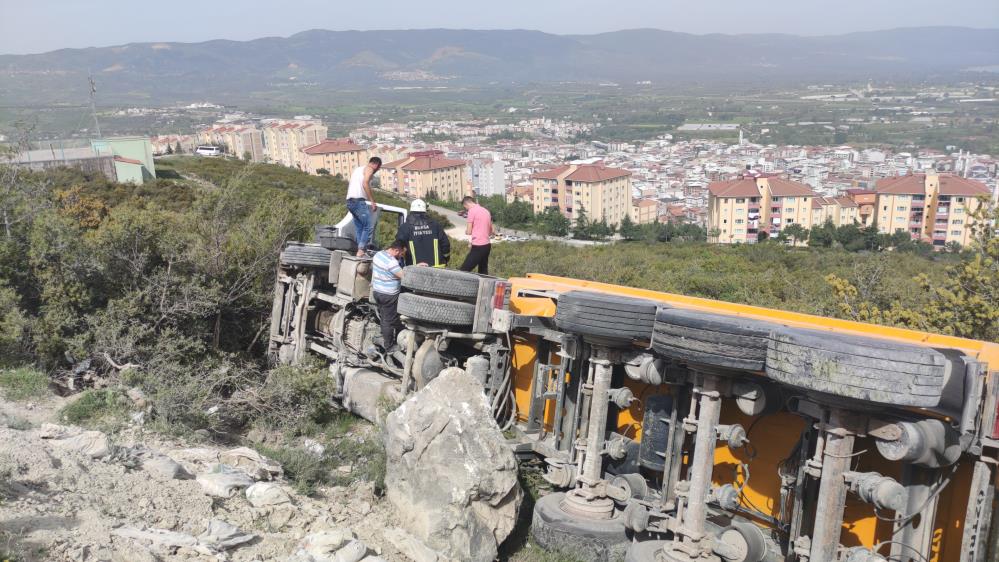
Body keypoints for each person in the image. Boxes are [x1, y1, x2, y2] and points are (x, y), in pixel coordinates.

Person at [371, 239, 407, 352]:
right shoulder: (392, 262)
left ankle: (383, 336)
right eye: (401, 253)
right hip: (389, 296)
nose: (401, 256)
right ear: (396, 250)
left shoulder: (378, 254)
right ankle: (389, 346)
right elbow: (404, 276)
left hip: (377, 292)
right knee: (389, 320)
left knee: (384, 317)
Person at [395, 199, 451, 267]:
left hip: (415, 269)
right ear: (425, 210)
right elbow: (445, 245)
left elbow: (398, 247)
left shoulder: (405, 227)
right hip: (437, 268)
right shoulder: (435, 225)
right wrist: (445, 259)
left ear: (411, 210)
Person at [346, 156, 382, 257]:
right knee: (369, 225)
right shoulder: (369, 169)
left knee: (360, 228)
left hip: (350, 201)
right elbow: (365, 183)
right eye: (378, 168)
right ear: (375, 164)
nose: (377, 170)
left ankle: (360, 250)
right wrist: (372, 201)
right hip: (358, 201)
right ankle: (361, 250)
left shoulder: (358, 169)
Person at [459, 195, 495, 275]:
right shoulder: (486, 211)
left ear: (466, 204)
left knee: (463, 271)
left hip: (478, 246)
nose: (466, 209)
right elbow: (491, 231)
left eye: (465, 207)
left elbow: (468, 231)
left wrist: (466, 231)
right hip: (487, 245)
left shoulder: (471, 211)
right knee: (483, 272)